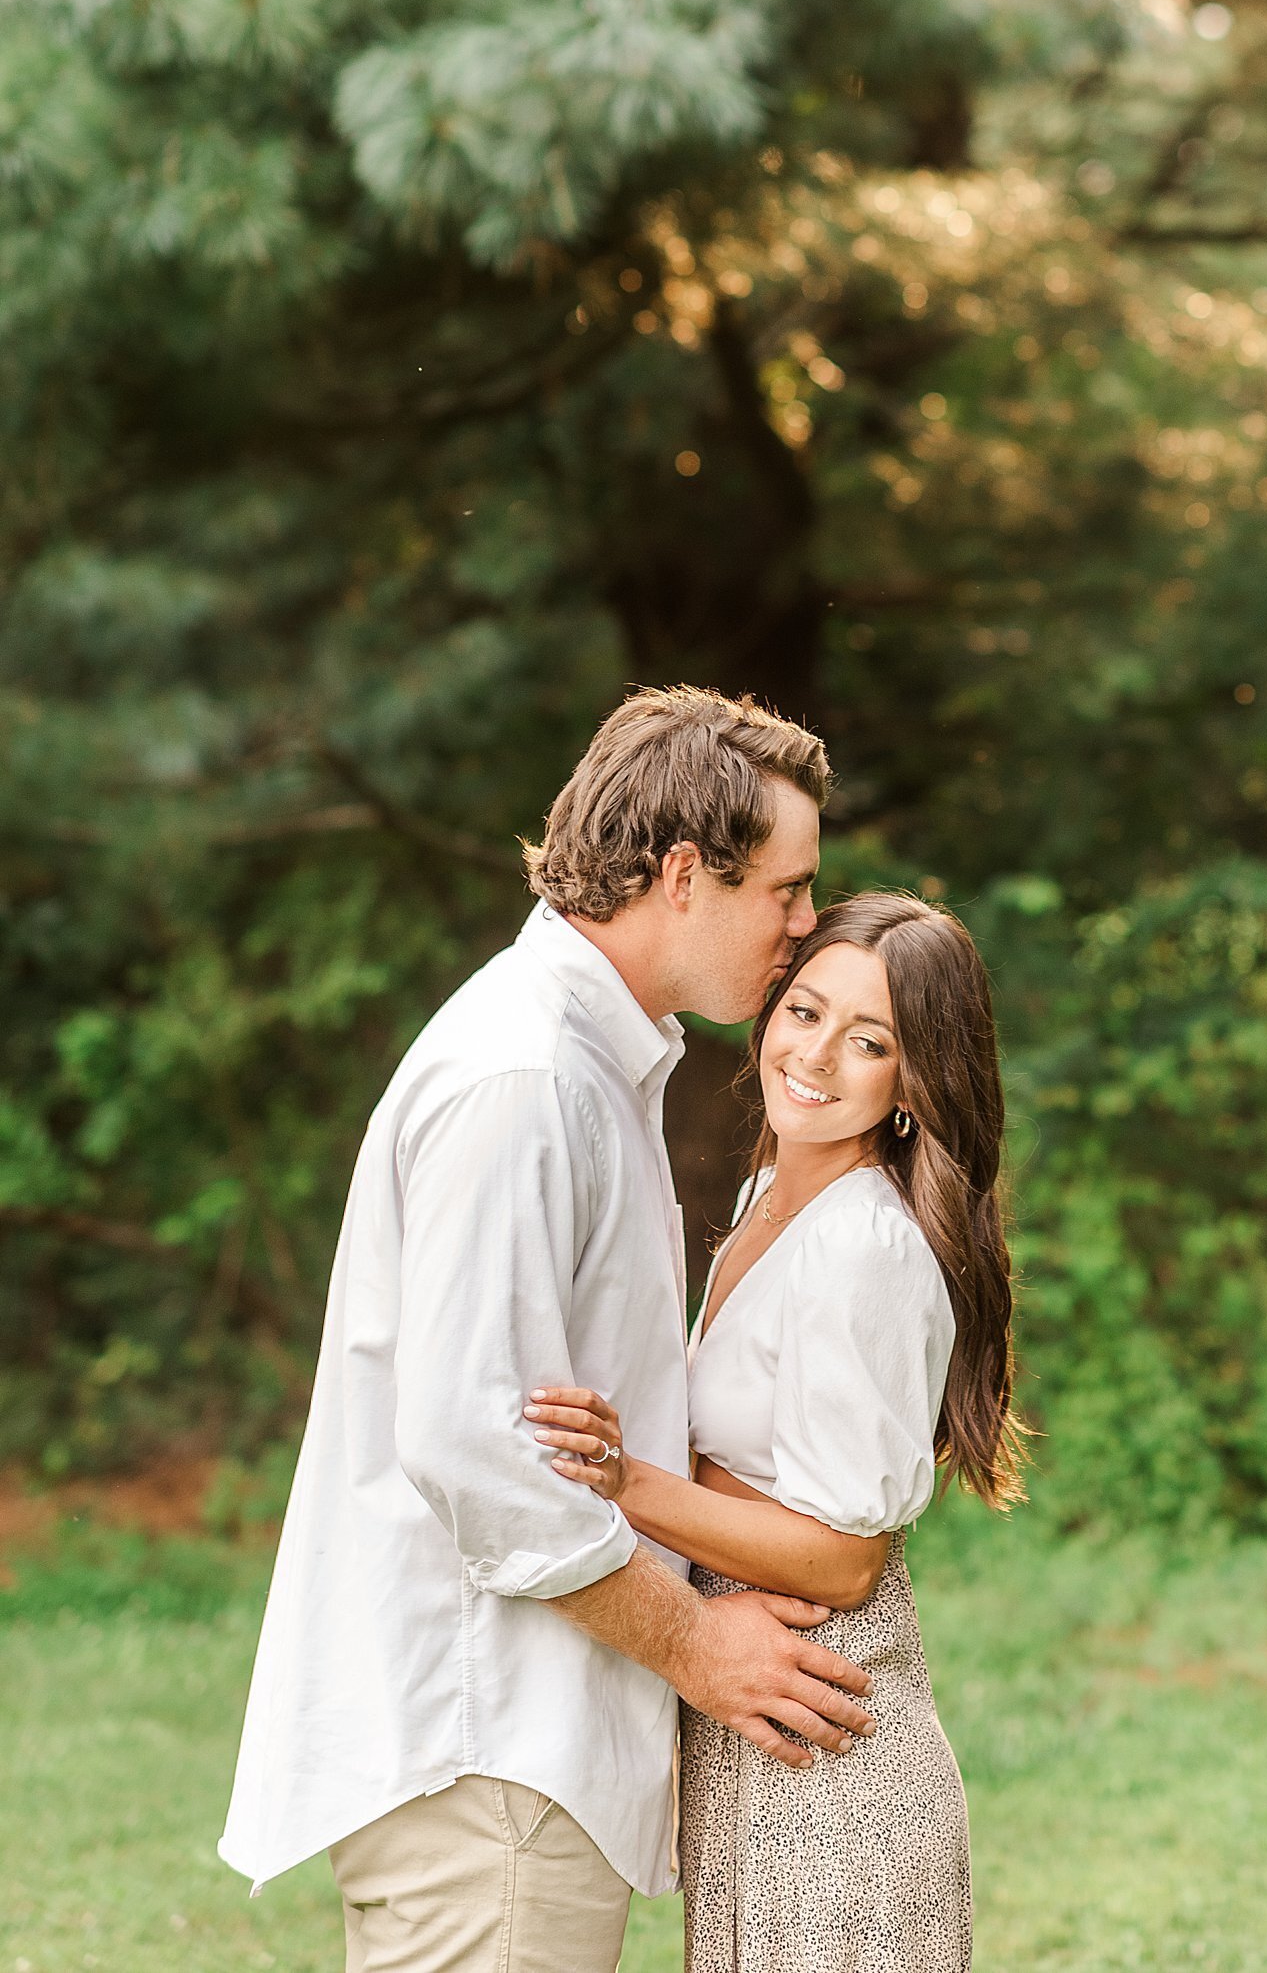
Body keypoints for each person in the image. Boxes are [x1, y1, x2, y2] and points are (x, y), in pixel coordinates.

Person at [220, 684, 877, 1973]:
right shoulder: (523, 1077)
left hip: (514, 1763)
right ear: (685, 872)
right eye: (787, 889)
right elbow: (475, 1445)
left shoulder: (590, 1059)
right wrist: (697, 1644)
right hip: (486, 1756)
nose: (803, 926)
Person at [524, 889, 1026, 1973]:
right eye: (805, 1010)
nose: (817, 1055)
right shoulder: (765, 1197)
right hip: (754, 1706)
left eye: (870, 1040)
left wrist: (624, 1479)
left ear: (912, 1079)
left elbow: (844, 1560)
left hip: (830, 1729)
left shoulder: (866, 1246)